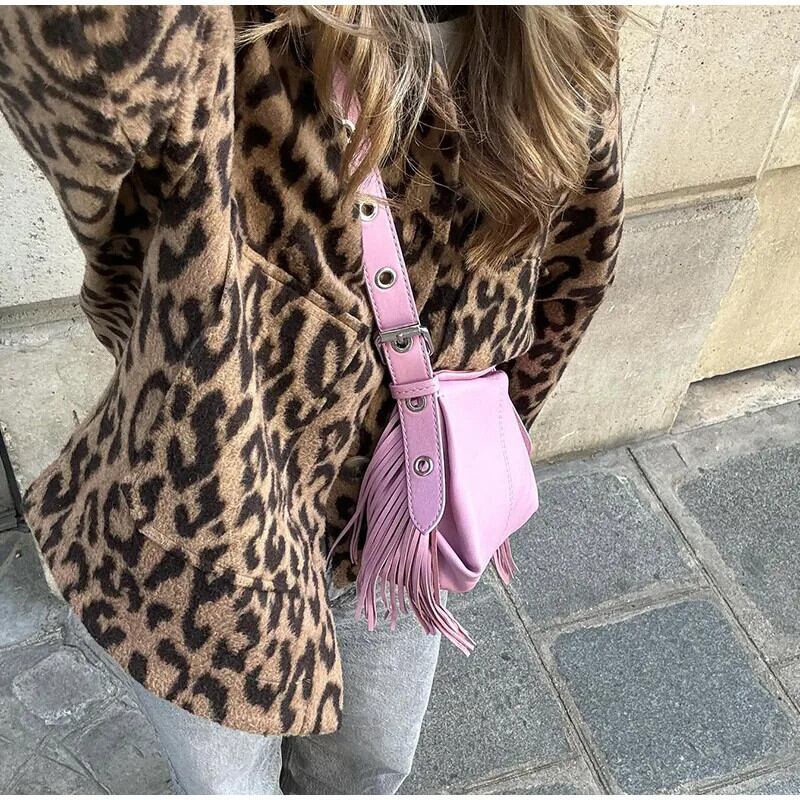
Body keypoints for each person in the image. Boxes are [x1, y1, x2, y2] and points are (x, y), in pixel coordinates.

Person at [0, 5, 624, 794]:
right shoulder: (231, 38)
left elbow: (576, 264)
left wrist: (469, 448)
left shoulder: (556, 29)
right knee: (227, 786)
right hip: (216, 526)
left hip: (399, 518)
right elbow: (83, 78)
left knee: (371, 766)